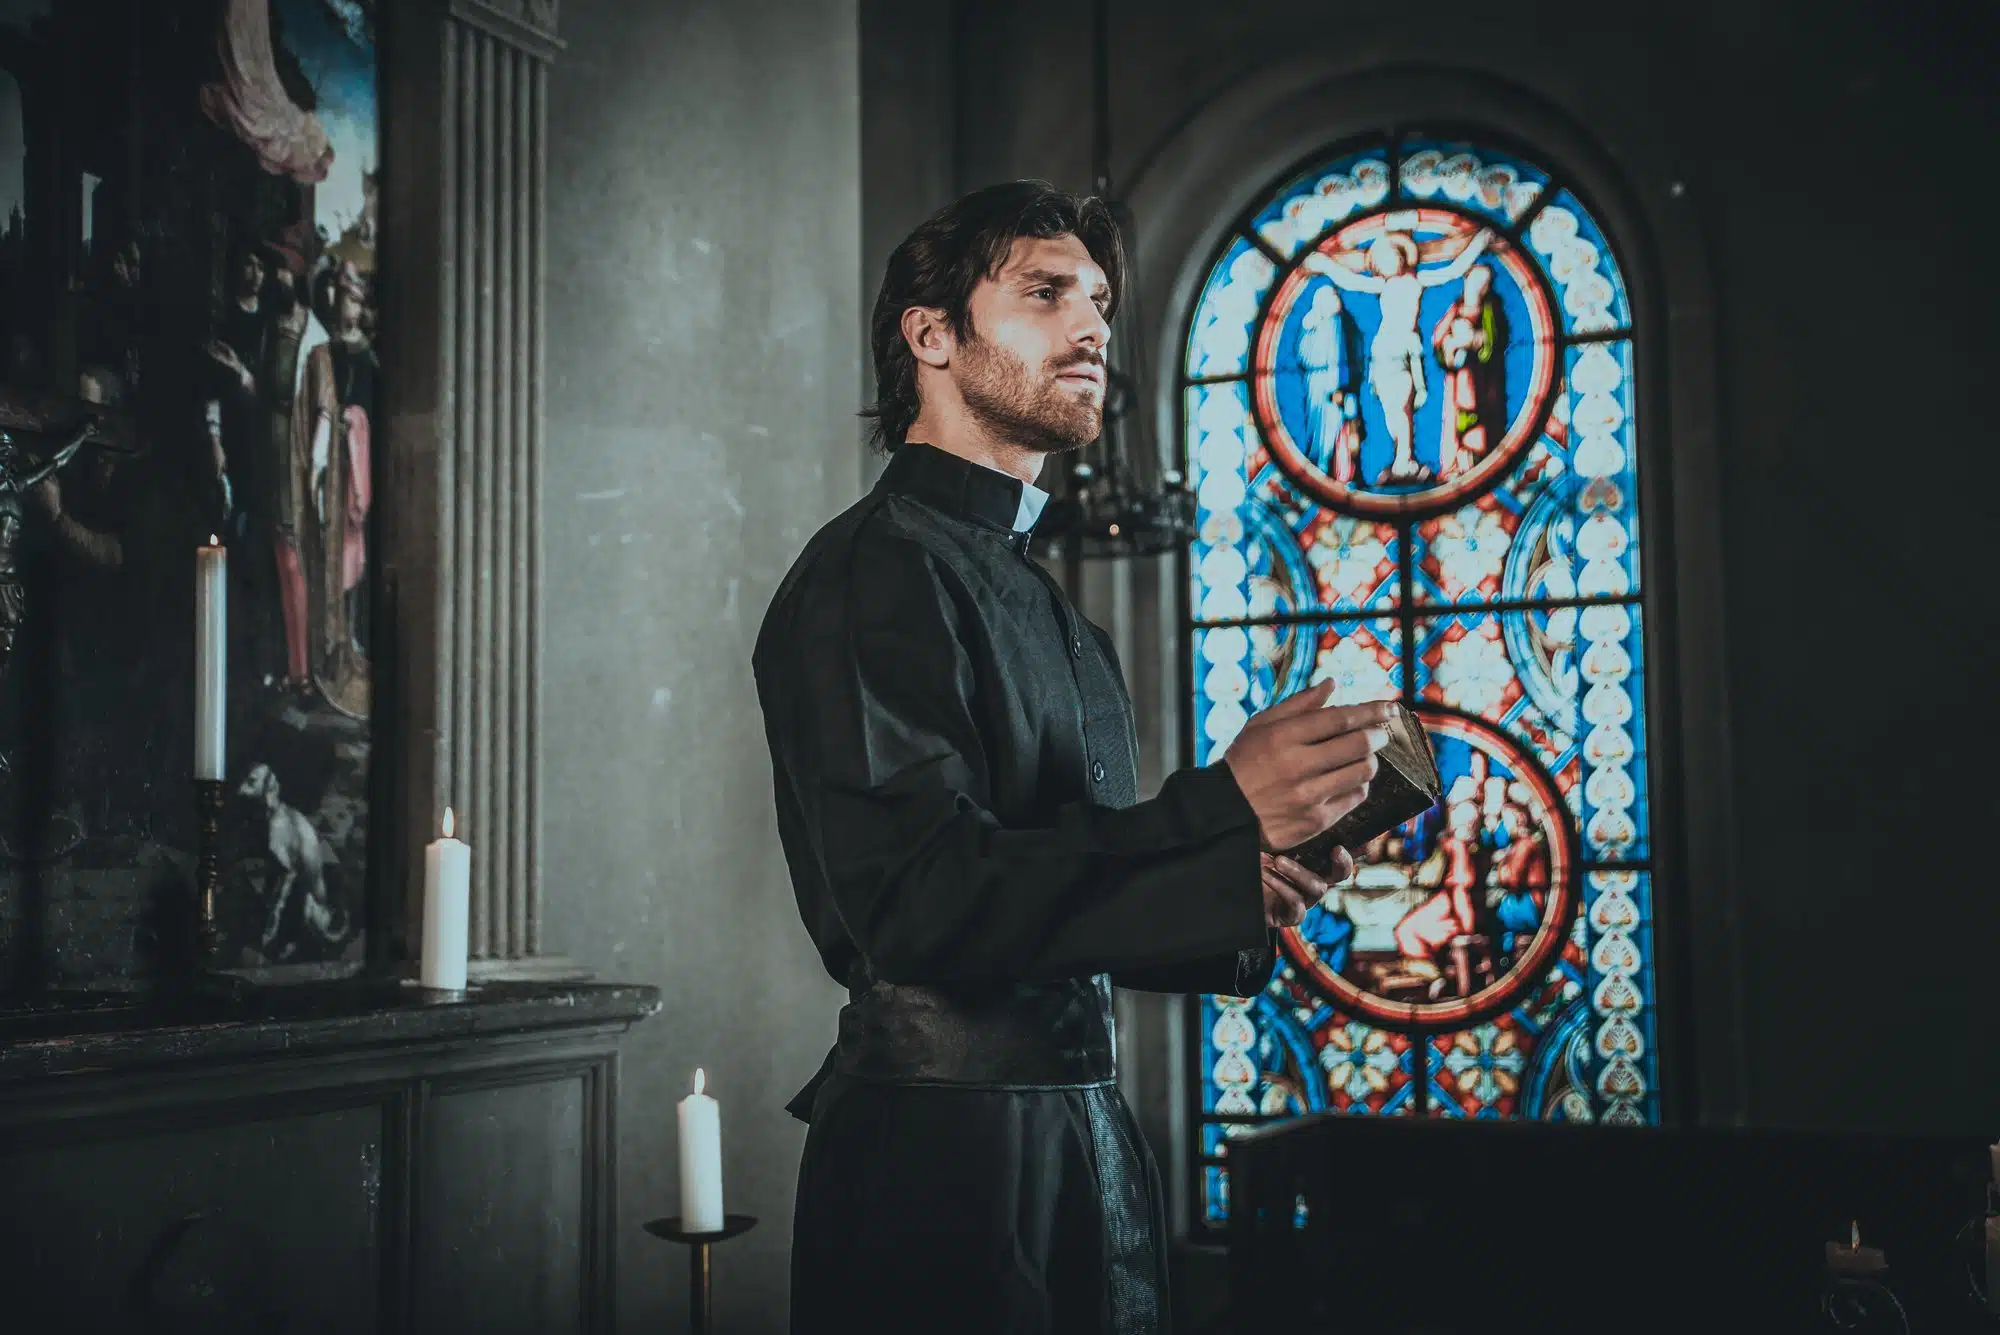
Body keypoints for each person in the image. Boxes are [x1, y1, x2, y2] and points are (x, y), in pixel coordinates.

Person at [754, 180, 1396, 1334]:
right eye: (1045, 294)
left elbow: (1055, 894)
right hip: (937, 1159)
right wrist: (1215, 807)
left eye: (1098, 299)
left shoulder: (1060, 619)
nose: (1093, 326)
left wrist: (1244, 879)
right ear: (930, 335)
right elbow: (918, 903)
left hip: (1089, 1134)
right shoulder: (871, 573)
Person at [1431, 261, 1509, 479]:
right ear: (1466, 280)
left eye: (1484, 282)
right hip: (1458, 381)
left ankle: (1477, 461)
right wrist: (1449, 346)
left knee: (1481, 420)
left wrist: (1474, 340)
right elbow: (1438, 338)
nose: (1479, 285)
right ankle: (1454, 465)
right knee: (1455, 421)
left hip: (1483, 380)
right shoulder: (1455, 308)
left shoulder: (1491, 308)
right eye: (1476, 279)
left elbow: (1495, 340)